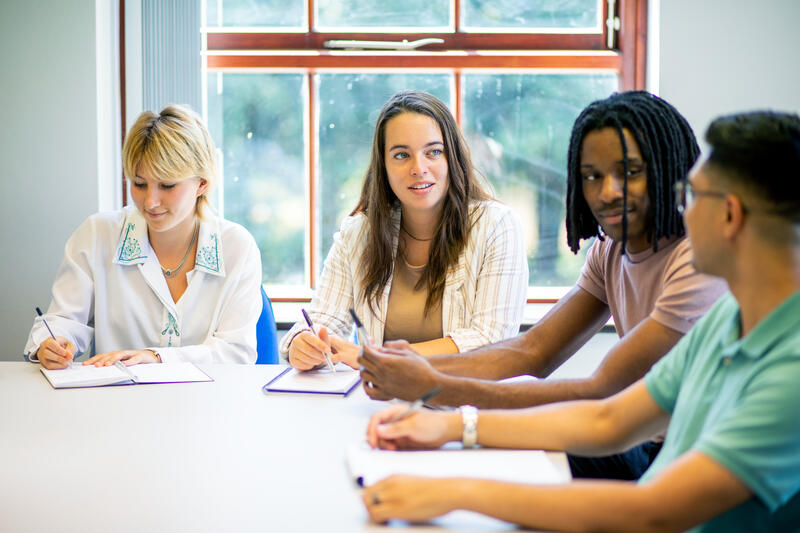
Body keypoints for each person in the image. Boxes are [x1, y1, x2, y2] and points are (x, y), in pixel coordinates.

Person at [362, 110, 800, 533]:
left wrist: (456, 491)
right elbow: (607, 420)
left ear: (729, 215)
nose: (682, 210)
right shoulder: (729, 317)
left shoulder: (790, 374)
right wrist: (449, 425)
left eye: (691, 195)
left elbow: (653, 512)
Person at [280, 90, 527, 370]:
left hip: (465, 404)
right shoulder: (359, 232)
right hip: (379, 403)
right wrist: (303, 342)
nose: (418, 168)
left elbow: (490, 340)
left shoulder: (497, 226)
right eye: (401, 155)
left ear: (452, 158)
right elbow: (322, 321)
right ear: (383, 165)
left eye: (433, 152)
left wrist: (377, 359)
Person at [25, 105, 263, 367]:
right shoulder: (97, 235)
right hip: (117, 402)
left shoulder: (237, 247)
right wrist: (54, 342)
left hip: (207, 403)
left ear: (202, 183)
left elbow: (236, 354)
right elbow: (64, 321)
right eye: (139, 184)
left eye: (167, 185)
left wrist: (156, 358)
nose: (150, 201)